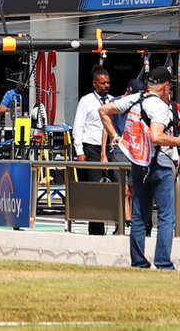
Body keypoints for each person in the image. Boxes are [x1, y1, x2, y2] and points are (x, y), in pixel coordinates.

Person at [103, 66, 180, 270]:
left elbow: (104, 110)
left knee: (139, 216)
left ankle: (138, 261)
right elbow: (156, 136)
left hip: (138, 163)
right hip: (160, 162)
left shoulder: (134, 99)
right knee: (166, 216)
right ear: (166, 86)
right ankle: (163, 262)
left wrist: (115, 136)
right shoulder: (160, 106)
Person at [70, 64, 121, 236]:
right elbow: (78, 126)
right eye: (102, 83)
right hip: (91, 147)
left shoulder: (114, 101)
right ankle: (96, 229)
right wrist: (79, 151)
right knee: (96, 188)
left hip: (111, 148)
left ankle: (118, 225)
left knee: (115, 186)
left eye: (108, 83)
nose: (106, 86)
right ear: (94, 83)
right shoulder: (86, 101)